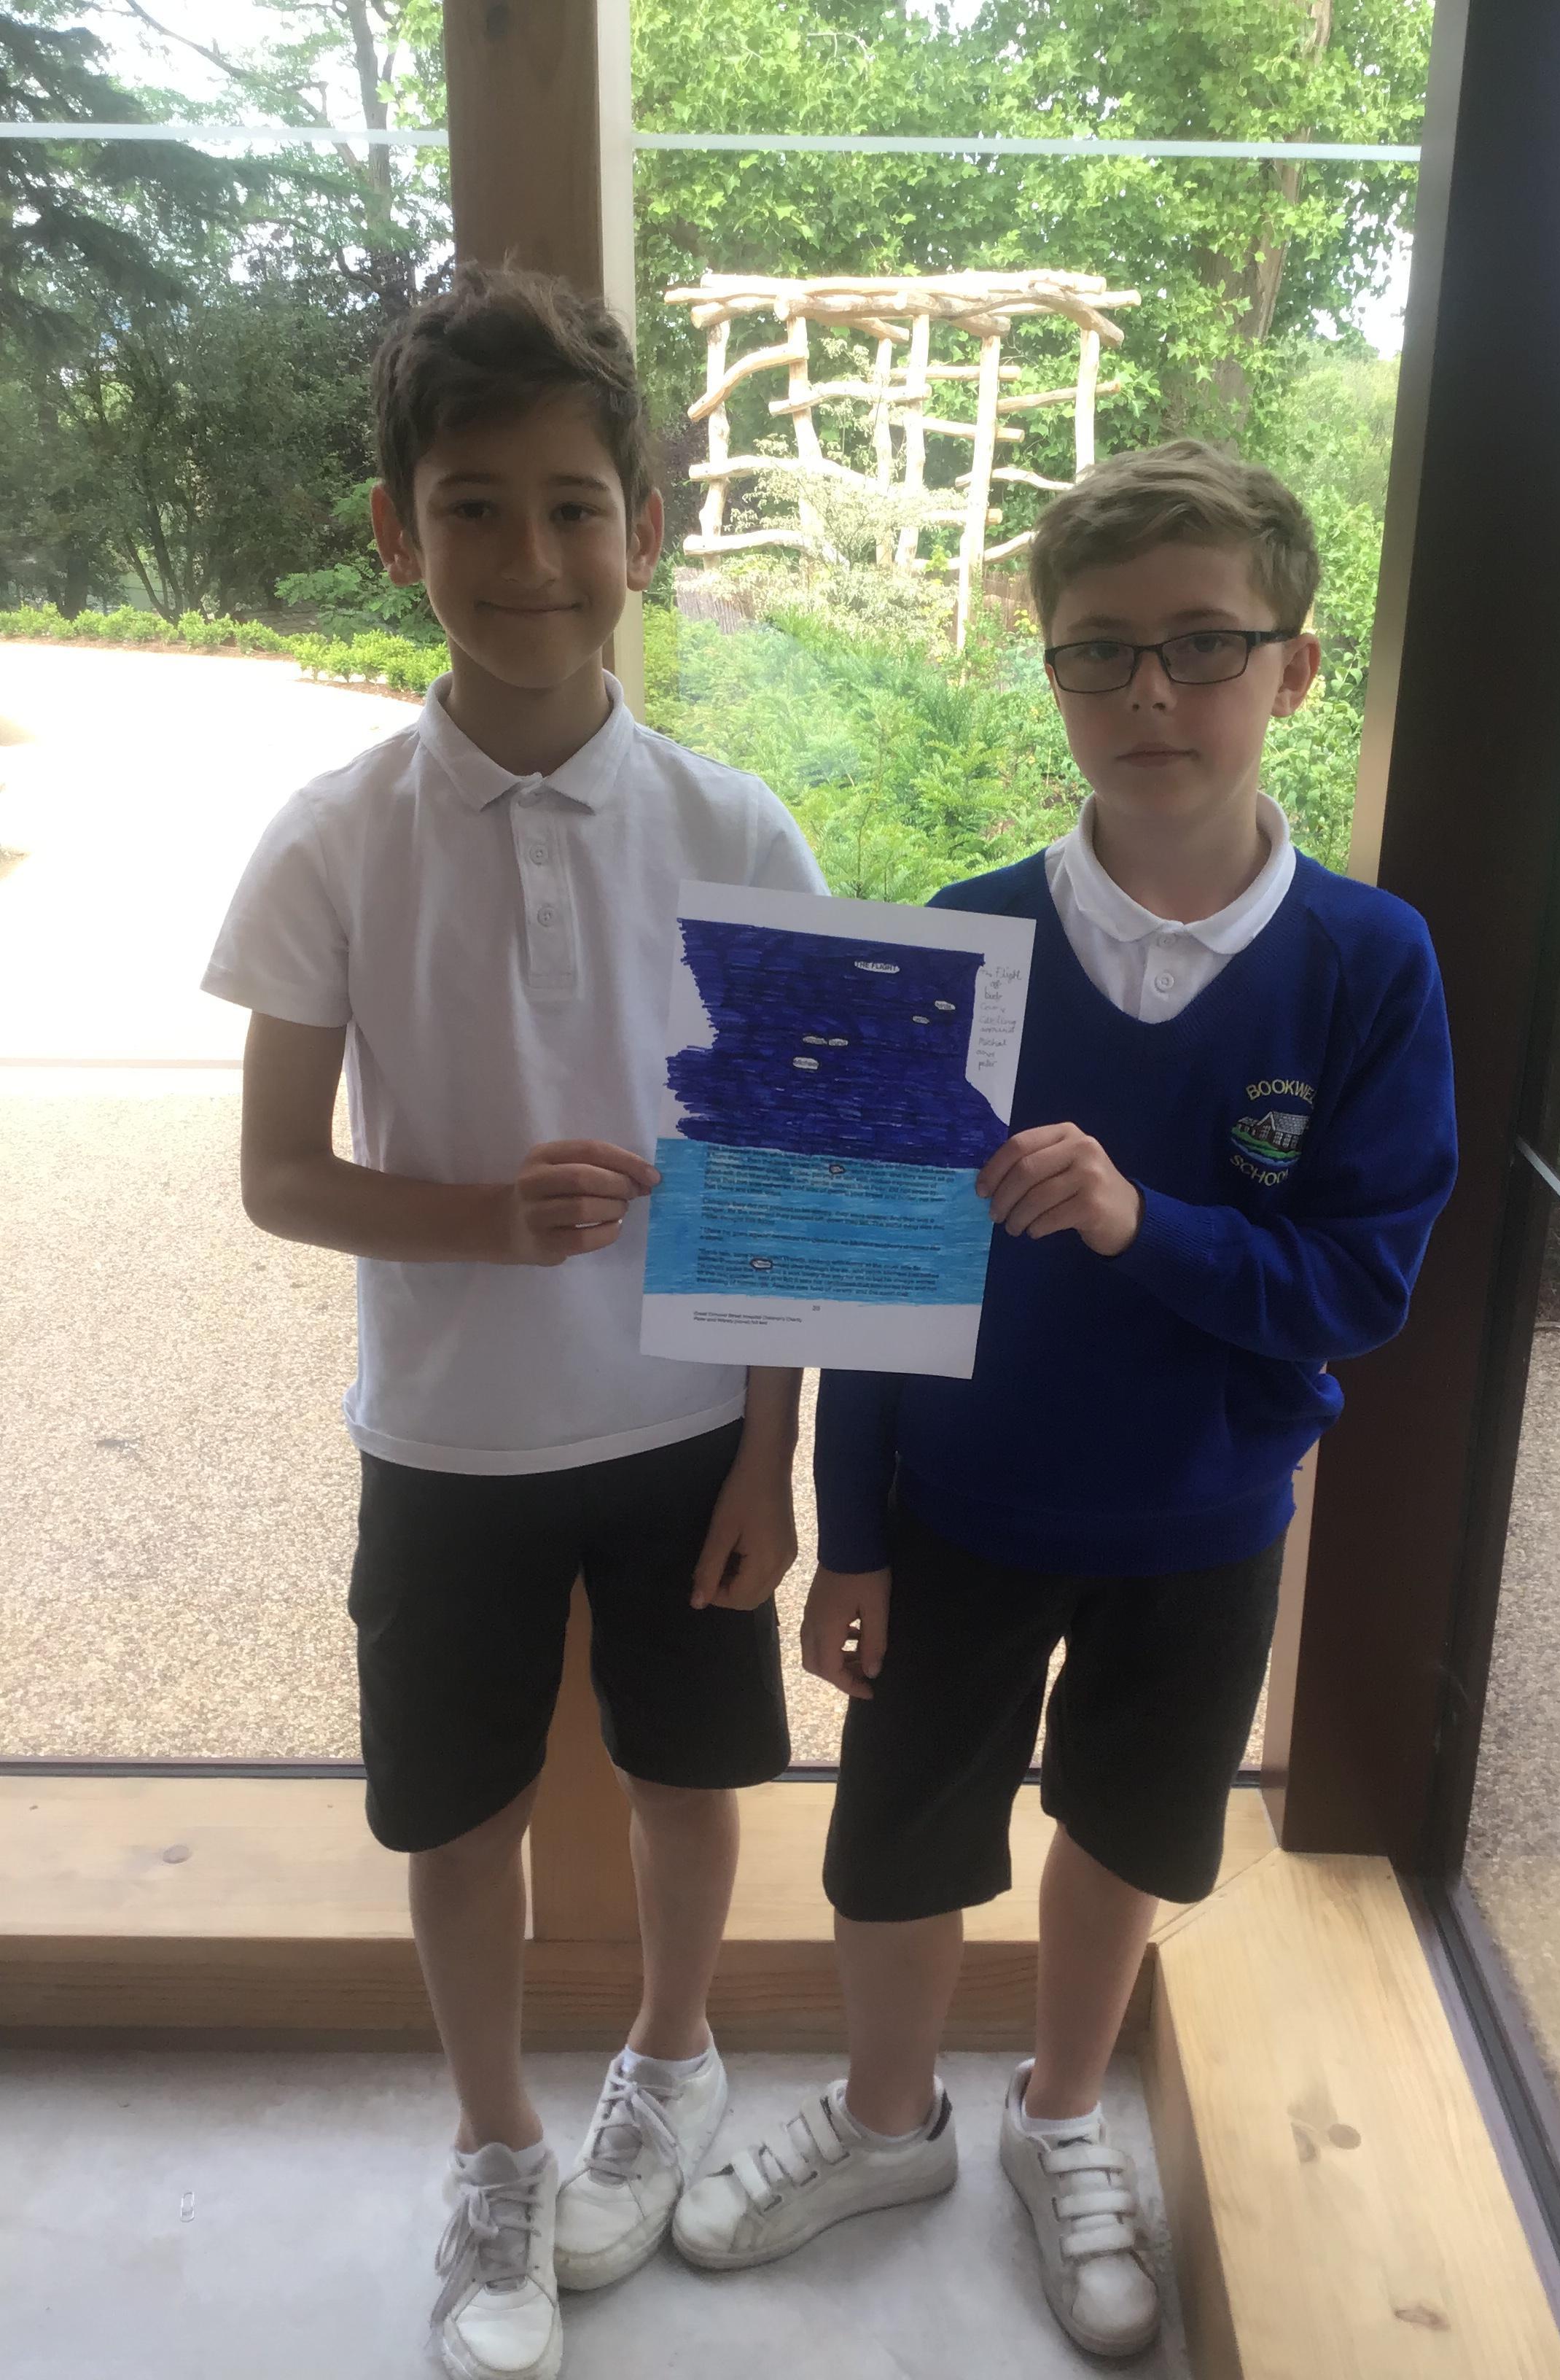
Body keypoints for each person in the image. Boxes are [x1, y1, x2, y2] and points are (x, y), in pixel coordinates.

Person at [672, 440, 1459, 2357]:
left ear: (1293, 669)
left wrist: (1137, 1221)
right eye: (1099, 650)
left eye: (1204, 644)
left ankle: (1058, 2114)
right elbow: (858, 1289)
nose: (1151, 693)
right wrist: (852, 1538)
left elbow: (1359, 1288)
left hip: (1204, 1520)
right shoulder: (956, 940)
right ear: (1052, 675)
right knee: (897, 1834)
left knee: (1129, 1829)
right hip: (959, 1512)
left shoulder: (1367, 963)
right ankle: (885, 2123)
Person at [203, 265, 826, 2380]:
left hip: (687, 1429)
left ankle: (673, 2057)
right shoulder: (334, 837)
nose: (531, 556)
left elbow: (799, 1184)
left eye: (575, 507)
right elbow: (280, 1173)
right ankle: (491, 2147)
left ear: (643, 528)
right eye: (474, 506)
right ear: (401, 533)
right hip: (446, 1437)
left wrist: (771, 1448)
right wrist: (479, 1218)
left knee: (688, 1773)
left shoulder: (740, 830)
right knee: (453, 1816)